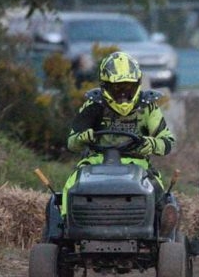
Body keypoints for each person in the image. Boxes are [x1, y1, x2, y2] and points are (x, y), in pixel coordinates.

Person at [62, 52, 178, 236]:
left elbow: (168, 142)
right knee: (71, 184)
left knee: (156, 186)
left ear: (138, 85)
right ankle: (66, 224)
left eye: (128, 88)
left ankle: (161, 226)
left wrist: (152, 144)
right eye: (117, 89)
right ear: (105, 87)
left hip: (137, 164)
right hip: (95, 162)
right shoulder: (93, 106)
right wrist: (82, 138)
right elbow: (71, 143)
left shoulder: (148, 106)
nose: (123, 95)